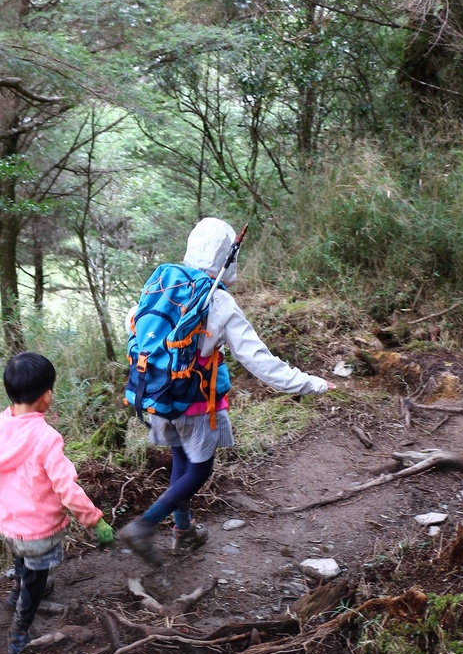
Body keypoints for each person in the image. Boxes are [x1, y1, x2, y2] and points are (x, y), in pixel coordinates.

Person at [120, 217, 336, 566]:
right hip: (195, 406)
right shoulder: (217, 302)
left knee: (180, 460)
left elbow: (133, 323)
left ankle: (184, 533)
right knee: (199, 471)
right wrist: (313, 383)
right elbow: (262, 364)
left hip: (156, 398)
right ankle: (145, 524)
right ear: (227, 257)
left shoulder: (161, 284)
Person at [0, 352, 114, 654]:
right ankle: (20, 629)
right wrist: (95, 520)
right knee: (36, 576)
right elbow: (67, 489)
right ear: (46, 396)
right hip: (40, 531)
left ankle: (16, 591)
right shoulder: (46, 438)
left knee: (21, 556)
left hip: (7, 524)